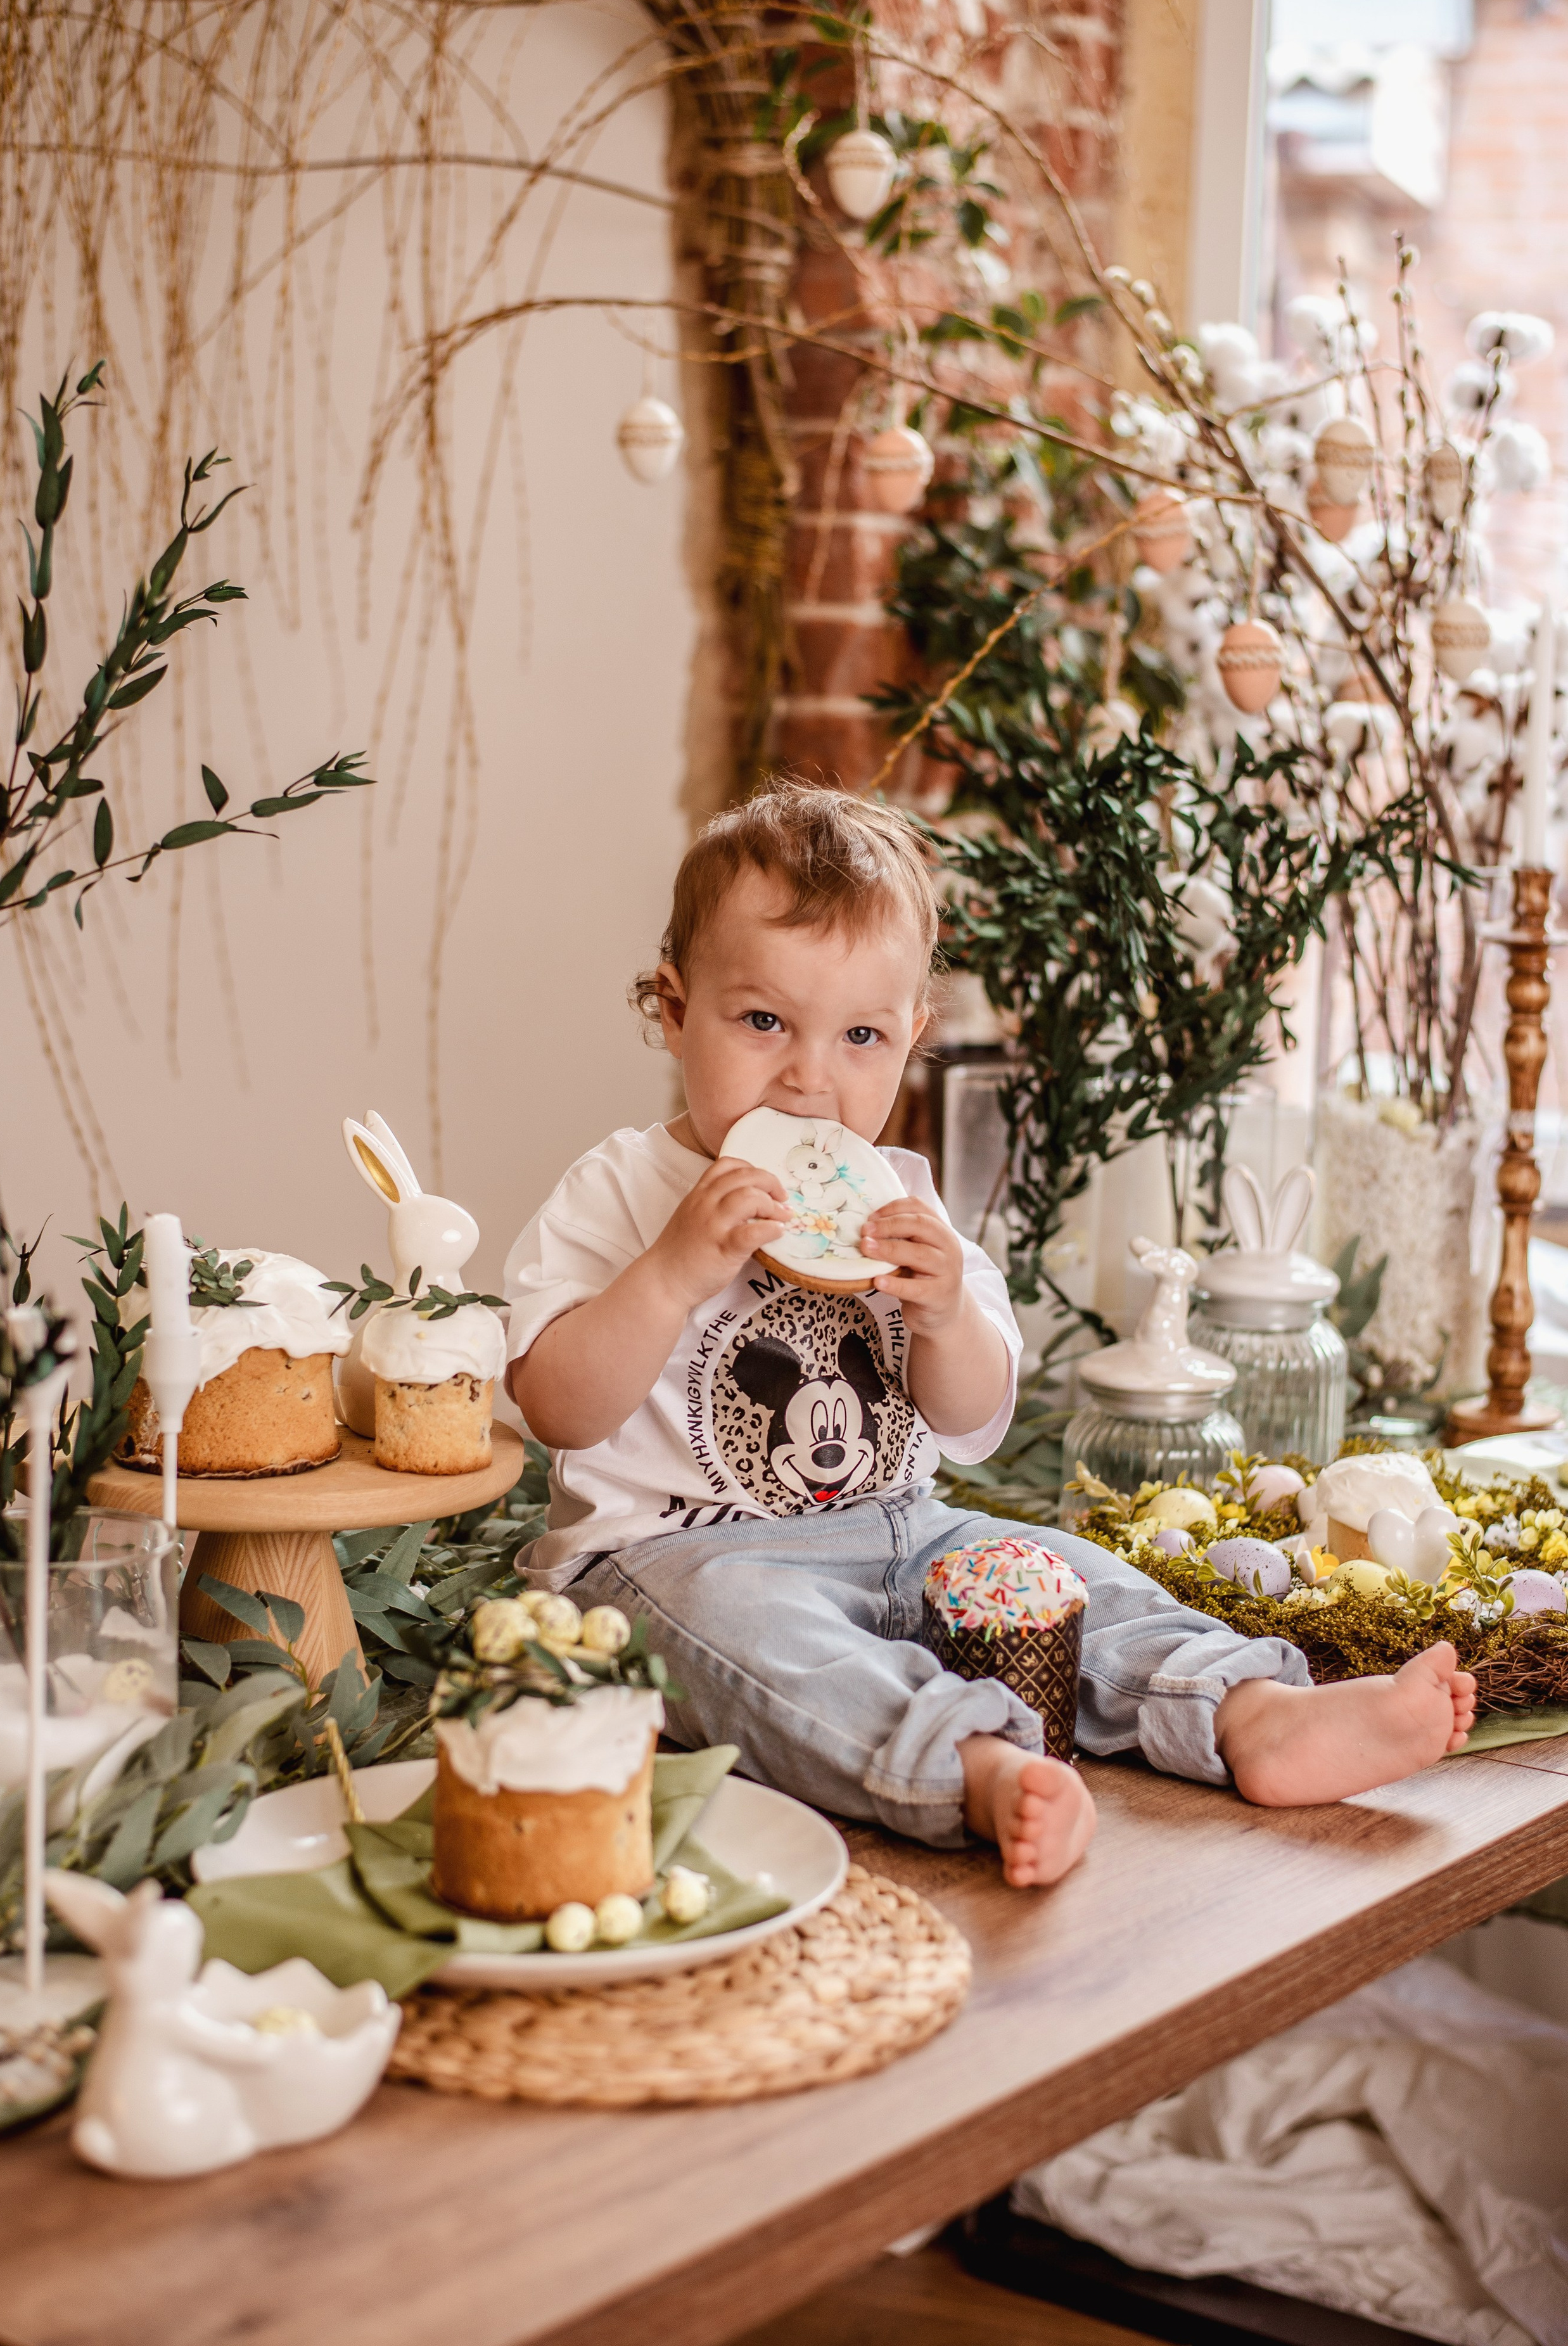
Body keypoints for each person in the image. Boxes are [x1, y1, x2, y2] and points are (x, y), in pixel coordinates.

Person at [503, 782, 1476, 1887]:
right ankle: (971, 1764)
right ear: (674, 1009)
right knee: (750, 1640)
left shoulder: (898, 1195)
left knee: (1064, 1575)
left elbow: (970, 1421)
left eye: (861, 1035)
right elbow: (555, 1406)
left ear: (913, 1038)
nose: (810, 1077)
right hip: (675, 1558)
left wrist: (942, 1312)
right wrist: (671, 1273)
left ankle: (1247, 1710)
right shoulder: (621, 1191)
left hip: (905, 1530)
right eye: (762, 1020)